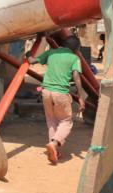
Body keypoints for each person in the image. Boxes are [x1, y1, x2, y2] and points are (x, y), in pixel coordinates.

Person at [28, 34, 85, 164]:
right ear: (76, 48)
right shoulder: (74, 58)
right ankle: (53, 144)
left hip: (46, 91)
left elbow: (31, 61)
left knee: (51, 121)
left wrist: (28, 53)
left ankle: (54, 151)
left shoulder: (51, 52)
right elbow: (76, 77)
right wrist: (81, 97)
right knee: (66, 121)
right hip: (61, 93)